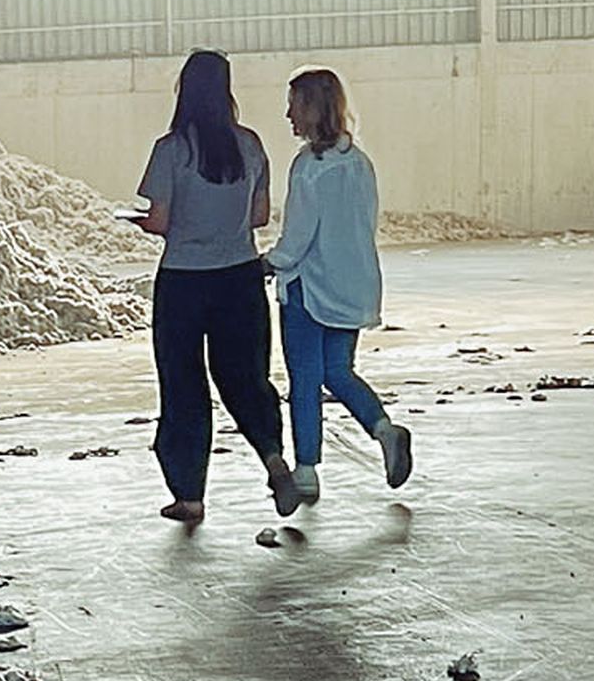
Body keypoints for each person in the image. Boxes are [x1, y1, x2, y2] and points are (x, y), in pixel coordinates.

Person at [135, 49, 299, 526]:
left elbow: (160, 220)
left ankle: (190, 496)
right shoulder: (250, 146)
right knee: (245, 377)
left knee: (183, 384)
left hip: (184, 282)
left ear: (184, 90)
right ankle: (274, 460)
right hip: (240, 278)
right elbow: (260, 216)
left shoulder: (171, 150)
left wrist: (145, 222)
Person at [269, 67, 413, 503]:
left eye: (293, 104)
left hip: (309, 290)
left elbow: (298, 236)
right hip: (352, 285)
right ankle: (383, 429)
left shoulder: (309, 167)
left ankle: (307, 470)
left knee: (305, 381)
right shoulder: (359, 163)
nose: (287, 114)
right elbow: (362, 224)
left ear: (312, 107)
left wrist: (268, 263)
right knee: (338, 371)